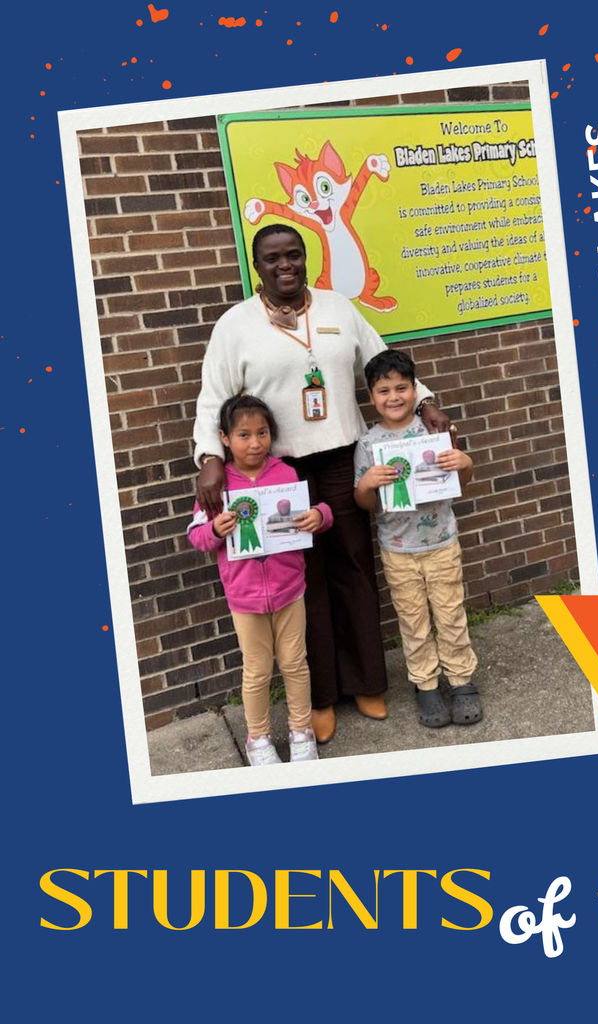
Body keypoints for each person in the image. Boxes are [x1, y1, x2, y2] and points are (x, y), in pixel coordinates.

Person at [193, 224, 449, 741]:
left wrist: (424, 401)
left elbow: (380, 361)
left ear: (305, 259)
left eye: (293, 255)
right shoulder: (235, 324)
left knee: (353, 566)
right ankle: (323, 696)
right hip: (279, 473)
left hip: (340, 459)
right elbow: (212, 396)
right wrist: (210, 457)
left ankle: (366, 682)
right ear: (256, 266)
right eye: (272, 258)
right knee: (303, 581)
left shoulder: (336, 307)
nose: (284, 264)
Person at [187, 394, 333, 765]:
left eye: (263, 433)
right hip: (245, 599)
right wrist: (216, 531)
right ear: (224, 437)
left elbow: (314, 513)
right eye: (244, 435)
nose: (255, 443)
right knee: (256, 670)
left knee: (295, 663)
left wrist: (321, 515)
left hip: (290, 592)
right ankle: (258, 739)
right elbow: (197, 536)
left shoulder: (284, 473)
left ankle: (301, 730)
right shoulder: (216, 486)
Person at [354, 350, 482, 728]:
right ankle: (425, 685)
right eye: (383, 390)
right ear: (371, 396)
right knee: (412, 621)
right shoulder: (368, 444)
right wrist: (366, 484)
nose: (393, 397)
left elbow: (460, 482)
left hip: (442, 542)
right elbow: (364, 503)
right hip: (398, 550)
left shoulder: (435, 431)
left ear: (415, 390)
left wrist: (466, 463)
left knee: (450, 613)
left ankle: (461, 681)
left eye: (401, 388)